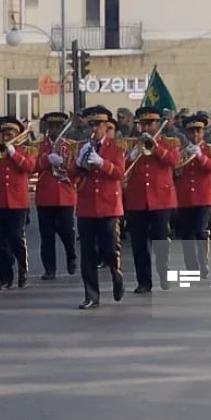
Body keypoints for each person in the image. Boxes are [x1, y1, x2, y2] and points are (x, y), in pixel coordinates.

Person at [69, 106, 126, 309]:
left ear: (105, 125)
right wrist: (77, 162)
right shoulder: (83, 146)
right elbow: (72, 175)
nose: (94, 129)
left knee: (110, 250)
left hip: (109, 205)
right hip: (86, 206)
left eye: (98, 125)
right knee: (87, 254)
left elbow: (119, 172)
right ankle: (91, 295)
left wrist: (102, 163)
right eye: (91, 124)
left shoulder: (116, 146)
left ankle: (116, 274)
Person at [124, 107, 179, 293]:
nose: (146, 127)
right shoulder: (131, 144)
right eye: (143, 124)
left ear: (157, 124)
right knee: (139, 243)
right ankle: (144, 281)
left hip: (161, 199)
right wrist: (130, 157)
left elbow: (174, 161)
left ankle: (164, 276)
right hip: (137, 199)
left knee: (161, 241)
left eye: (150, 123)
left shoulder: (168, 142)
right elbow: (121, 169)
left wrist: (157, 148)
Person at [0, 116, 37, 290]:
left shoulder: (25, 150)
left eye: (11, 133)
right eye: (5, 133)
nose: (7, 137)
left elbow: (29, 167)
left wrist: (13, 153)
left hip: (17, 201)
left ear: (18, 135)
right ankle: (5, 277)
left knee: (15, 237)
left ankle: (23, 268)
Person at [33, 111, 79, 281]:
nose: (54, 130)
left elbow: (77, 167)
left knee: (67, 231)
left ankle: (71, 255)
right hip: (45, 195)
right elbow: (32, 167)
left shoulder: (71, 146)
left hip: (65, 195)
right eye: (51, 126)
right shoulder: (39, 146)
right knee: (47, 235)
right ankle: (49, 269)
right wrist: (46, 160)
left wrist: (65, 164)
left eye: (58, 126)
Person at [174, 113, 211, 276]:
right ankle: (191, 266)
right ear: (187, 133)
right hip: (185, 197)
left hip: (204, 196)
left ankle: (203, 263)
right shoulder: (181, 151)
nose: (195, 135)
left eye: (198, 131)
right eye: (192, 132)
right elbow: (175, 169)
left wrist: (201, 156)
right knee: (186, 233)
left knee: (201, 230)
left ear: (203, 132)